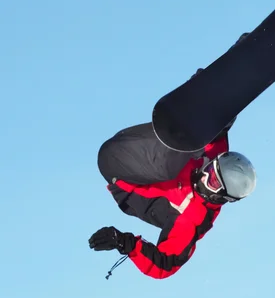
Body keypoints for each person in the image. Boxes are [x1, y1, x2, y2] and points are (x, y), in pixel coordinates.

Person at [89, 120, 257, 280]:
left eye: (212, 180)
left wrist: (124, 242)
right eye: (211, 168)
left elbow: (164, 265)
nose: (205, 174)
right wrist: (224, 115)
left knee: (176, 161)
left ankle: (182, 134)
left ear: (219, 196)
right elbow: (218, 135)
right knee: (199, 141)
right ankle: (187, 124)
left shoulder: (191, 219)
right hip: (130, 143)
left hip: (123, 177)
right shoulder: (213, 155)